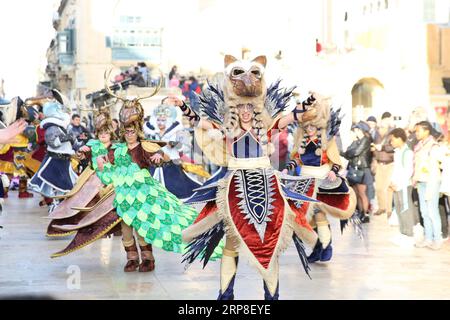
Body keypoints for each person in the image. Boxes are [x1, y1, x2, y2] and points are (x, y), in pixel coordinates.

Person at [174, 54, 320, 300]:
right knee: (233, 241)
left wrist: (309, 101)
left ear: (256, 109)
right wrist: (180, 105)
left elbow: (290, 117)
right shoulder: (227, 129)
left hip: (268, 186)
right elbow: (198, 122)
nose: (245, 112)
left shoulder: (267, 128)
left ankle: (271, 297)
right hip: (234, 188)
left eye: (249, 108)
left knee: (270, 242)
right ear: (235, 109)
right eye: (241, 107)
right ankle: (225, 294)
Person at [284, 101, 356, 263]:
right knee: (306, 217)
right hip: (303, 182)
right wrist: (286, 169)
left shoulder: (326, 142)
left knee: (318, 214)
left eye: (312, 127)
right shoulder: (301, 142)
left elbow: (336, 162)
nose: (309, 130)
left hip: (321, 181)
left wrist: (333, 171)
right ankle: (318, 248)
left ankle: (325, 247)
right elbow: (296, 160)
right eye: (307, 127)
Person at [413, 121, 443, 250]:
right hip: (421, 181)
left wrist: (432, 183)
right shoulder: (419, 145)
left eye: (418, 131)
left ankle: (437, 239)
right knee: (424, 212)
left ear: (426, 131)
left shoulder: (434, 146)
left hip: (432, 181)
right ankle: (428, 238)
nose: (416, 133)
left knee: (432, 211)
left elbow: (437, 167)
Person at [390, 128, 420, 239]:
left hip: (403, 185)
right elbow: (396, 169)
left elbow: (408, 171)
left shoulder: (408, 152)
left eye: (393, 140)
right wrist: (392, 182)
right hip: (396, 184)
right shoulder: (397, 152)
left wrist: (399, 183)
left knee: (405, 208)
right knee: (398, 208)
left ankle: (409, 232)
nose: (391, 142)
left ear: (399, 138)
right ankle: (402, 231)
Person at [342, 121, 373, 223]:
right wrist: (348, 153)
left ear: (362, 131)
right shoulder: (358, 141)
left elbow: (355, 152)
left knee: (362, 193)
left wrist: (348, 152)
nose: (355, 132)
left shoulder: (365, 140)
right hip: (356, 168)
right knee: (357, 193)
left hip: (363, 169)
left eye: (357, 130)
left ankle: (365, 213)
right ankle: (360, 212)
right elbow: (348, 153)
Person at [373, 112, 395, 217]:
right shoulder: (376, 133)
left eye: (387, 120)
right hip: (379, 163)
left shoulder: (392, 133)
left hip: (389, 163)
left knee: (387, 188)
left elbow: (393, 147)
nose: (385, 123)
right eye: (384, 120)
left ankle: (389, 210)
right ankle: (381, 207)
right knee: (378, 187)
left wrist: (382, 147)